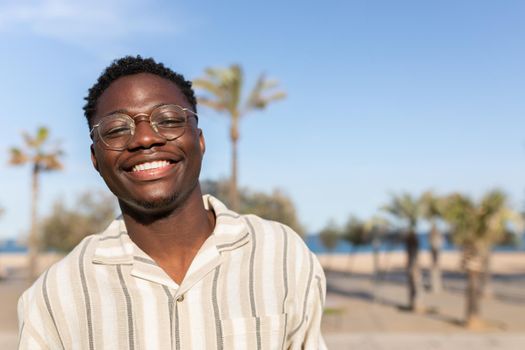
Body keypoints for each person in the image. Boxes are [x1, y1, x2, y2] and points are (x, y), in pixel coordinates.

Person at [17, 56, 327, 349]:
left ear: (200, 140)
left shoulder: (282, 255)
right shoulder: (57, 295)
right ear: (95, 159)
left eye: (167, 120)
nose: (144, 138)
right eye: (116, 129)